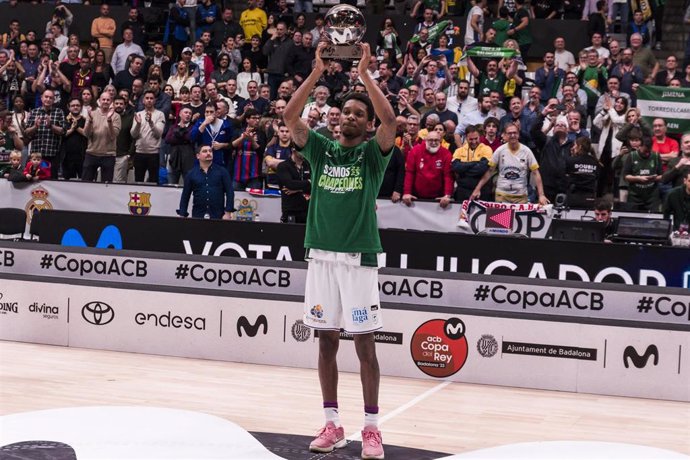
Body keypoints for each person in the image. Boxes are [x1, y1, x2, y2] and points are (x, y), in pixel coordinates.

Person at [283, 41, 395, 460]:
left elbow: (391, 120)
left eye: (357, 114)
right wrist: (315, 73)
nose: (349, 116)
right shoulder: (319, 149)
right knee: (326, 342)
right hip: (321, 257)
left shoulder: (371, 155)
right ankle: (332, 423)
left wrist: (365, 74)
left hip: (358, 259)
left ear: (366, 125)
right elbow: (290, 117)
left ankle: (371, 428)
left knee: (365, 346)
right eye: (345, 111)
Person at [471, 123, 549, 204]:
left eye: (515, 133)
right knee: (502, 217)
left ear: (518, 134)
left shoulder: (527, 151)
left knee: (518, 217)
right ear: (504, 135)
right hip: (502, 196)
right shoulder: (499, 150)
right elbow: (490, 171)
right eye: (509, 133)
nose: (512, 135)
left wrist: (541, 195)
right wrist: (477, 189)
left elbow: (536, 173)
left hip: (521, 197)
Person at [177, 145, 235, 220]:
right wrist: (182, 214)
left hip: (219, 216)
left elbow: (230, 192)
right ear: (198, 156)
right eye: (205, 151)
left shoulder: (222, 171)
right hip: (198, 216)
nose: (208, 153)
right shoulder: (191, 174)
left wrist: (228, 213)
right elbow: (185, 196)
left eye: (210, 151)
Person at [403, 130, 454, 208]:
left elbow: (448, 176)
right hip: (416, 197)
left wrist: (447, 195)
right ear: (425, 140)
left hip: (438, 198)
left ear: (440, 141)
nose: (433, 143)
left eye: (436, 140)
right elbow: (410, 173)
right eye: (431, 140)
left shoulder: (446, 154)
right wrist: (407, 192)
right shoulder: (415, 151)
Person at [83, 92, 121, 183]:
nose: (105, 101)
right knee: (85, 182)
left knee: (106, 184)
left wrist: (109, 120)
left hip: (108, 155)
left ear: (111, 101)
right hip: (92, 153)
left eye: (108, 100)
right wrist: (90, 121)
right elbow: (86, 134)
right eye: (103, 99)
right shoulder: (92, 113)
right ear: (99, 101)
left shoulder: (116, 116)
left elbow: (113, 136)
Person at [451, 125, 492, 202]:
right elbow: (455, 167)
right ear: (466, 138)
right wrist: (475, 163)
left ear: (479, 137)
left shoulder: (487, 149)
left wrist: (464, 169)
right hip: (463, 190)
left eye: (476, 138)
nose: (474, 142)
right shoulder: (459, 151)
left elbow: (481, 169)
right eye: (471, 139)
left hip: (482, 189)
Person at [276, 146, 311, 223]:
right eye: (302, 149)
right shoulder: (283, 166)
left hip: (307, 210)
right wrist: (308, 182)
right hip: (291, 210)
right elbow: (290, 184)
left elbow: (315, 185)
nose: (305, 151)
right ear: (293, 149)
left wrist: (298, 189)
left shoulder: (308, 165)